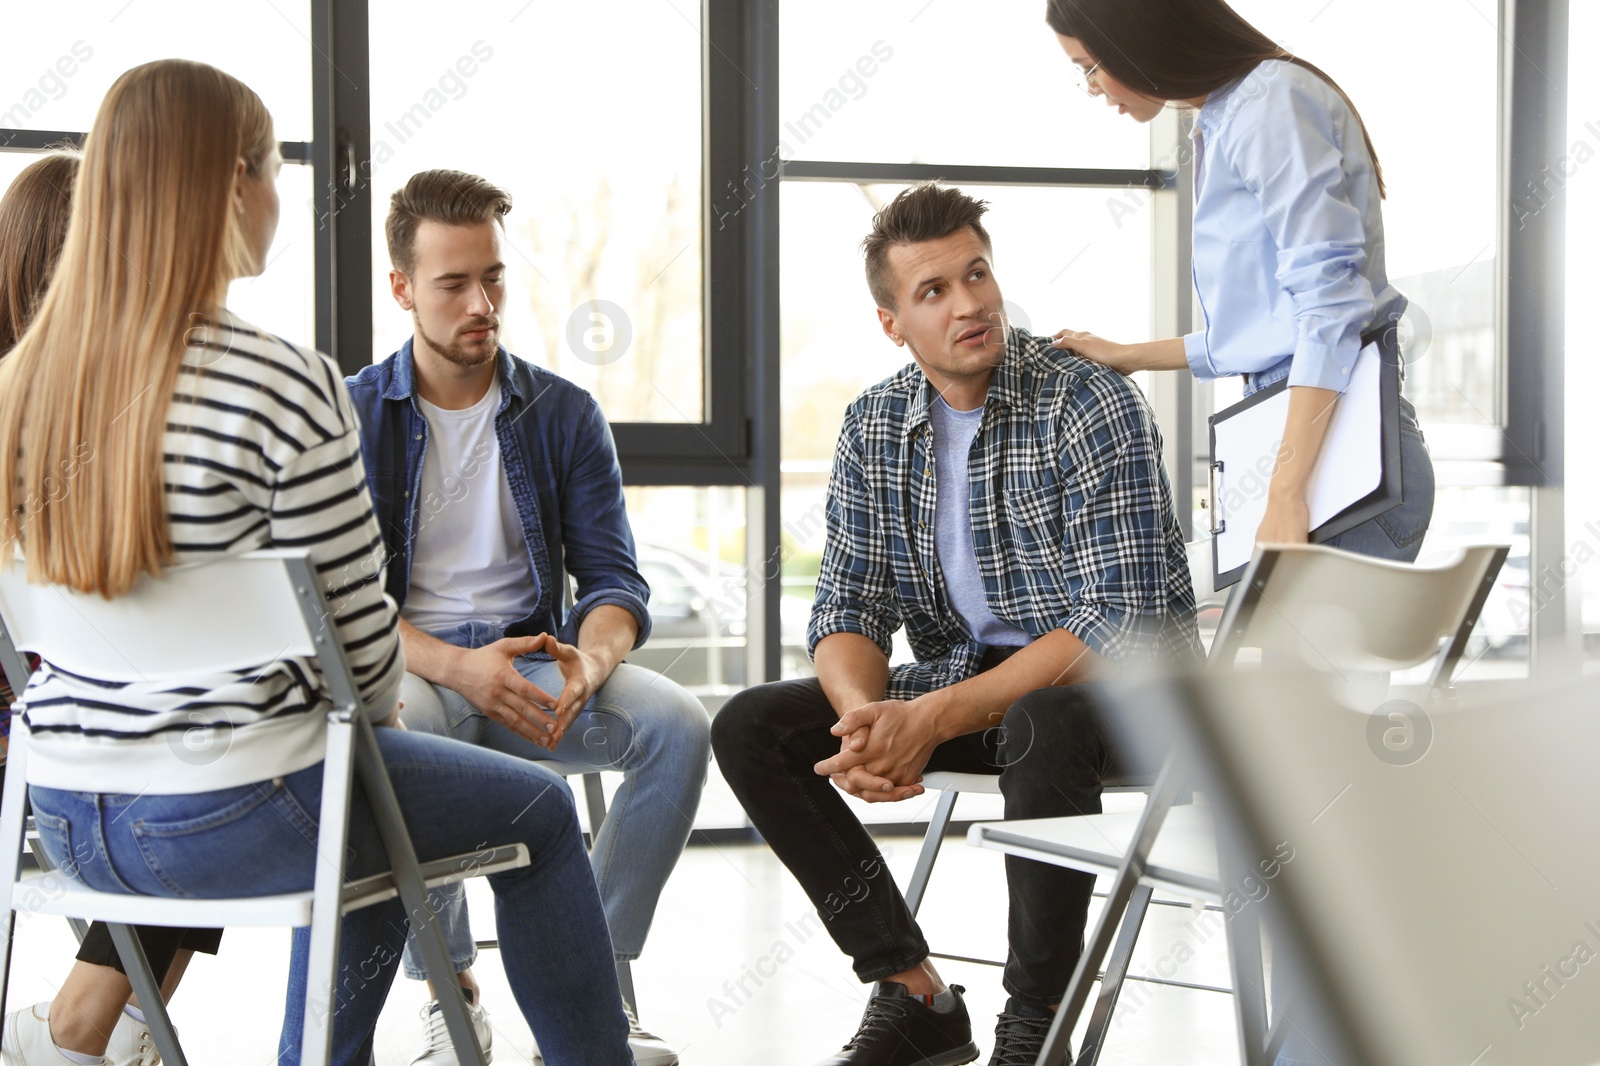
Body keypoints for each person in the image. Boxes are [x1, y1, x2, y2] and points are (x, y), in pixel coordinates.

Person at [0, 60, 631, 1066]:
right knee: (522, 808)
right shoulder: (285, 383)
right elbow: (366, 668)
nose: (276, 197)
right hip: (235, 816)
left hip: (69, 818)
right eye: (272, 171)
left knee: (370, 798)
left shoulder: (19, 384)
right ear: (231, 188)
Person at [711, 183, 1201, 1066]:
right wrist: (868, 723)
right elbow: (848, 603)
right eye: (934, 291)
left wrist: (927, 722)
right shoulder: (874, 425)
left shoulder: (1088, 402)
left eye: (977, 275)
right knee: (753, 724)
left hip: (1131, 705)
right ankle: (915, 994)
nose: (971, 302)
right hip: (976, 697)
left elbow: (1117, 625)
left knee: (1039, 716)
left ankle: (1036, 1023)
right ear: (892, 322)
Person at [345, 168, 708, 1066]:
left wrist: (592, 660)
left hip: (538, 663)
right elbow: (342, 606)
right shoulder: (353, 415)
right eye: (453, 283)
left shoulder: (563, 413)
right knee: (392, 749)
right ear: (402, 290)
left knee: (680, 728)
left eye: (494, 278)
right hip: (420, 672)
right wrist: (459, 667)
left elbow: (617, 583)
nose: (482, 302)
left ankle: (593, 986)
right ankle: (452, 987)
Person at [1045, 0, 1434, 564]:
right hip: (1310, 443)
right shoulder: (1229, 113)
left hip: (1337, 462)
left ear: (1138, 35)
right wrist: (1129, 355)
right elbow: (1268, 329)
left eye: (1089, 66)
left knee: (1287, 654)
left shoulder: (1268, 102)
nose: (1092, 88)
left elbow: (1331, 307)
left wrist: (1286, 493)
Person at [0, 149, 224, 1066]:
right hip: (73, 727)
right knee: (224, 758)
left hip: (51, 723)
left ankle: (103, 1030)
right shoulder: (130, 407)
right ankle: (98, 1028)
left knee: (208, 750)